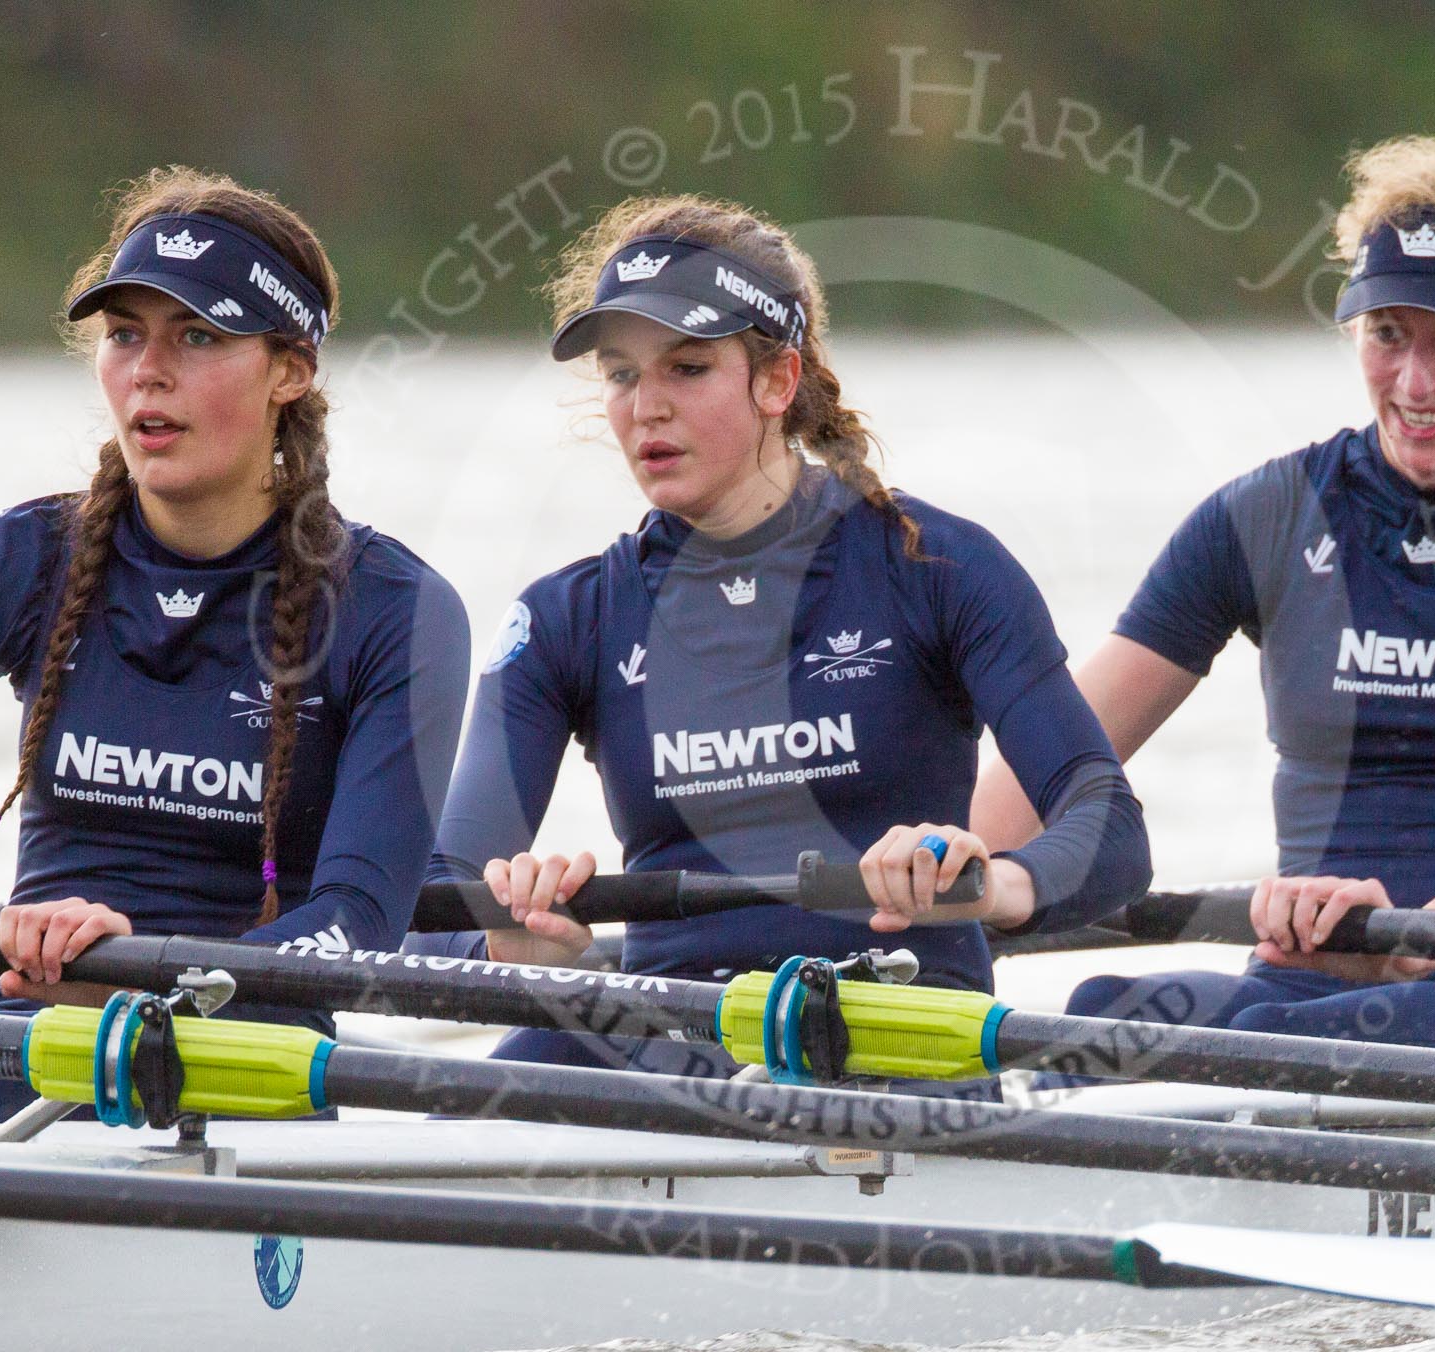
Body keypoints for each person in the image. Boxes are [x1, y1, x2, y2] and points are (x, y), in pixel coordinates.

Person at [973, 136, 1435, 1063]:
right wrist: (943, 870)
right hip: (1308, 987)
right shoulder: (1268, 515)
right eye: (1389, 335)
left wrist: (1414, 944)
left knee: (1268, 1044)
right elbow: (1058, 758)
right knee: (1097, 1011)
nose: (1416, 382)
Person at [420, 194, 1150, 1079]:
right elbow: (428, 901)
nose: (644, 407)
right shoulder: (564, 620)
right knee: (500, 1072)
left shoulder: (937, 569)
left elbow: (1109, 829)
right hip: (681, 1043)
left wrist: (991, 881)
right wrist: (503, 945)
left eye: (686, 369)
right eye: (620, 374)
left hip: (897, 1029)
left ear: (778, 380)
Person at [0, 167, 470, 1125]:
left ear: (290, 369)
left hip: (241, 1041)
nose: (150, 369)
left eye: (198, 336)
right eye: (125, 336)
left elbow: (357, 929)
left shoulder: (394, 612)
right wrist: (78, 973)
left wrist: (133, 963)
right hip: (29, 1010)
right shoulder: (18, 563)